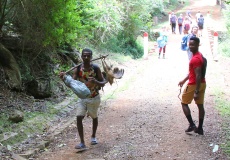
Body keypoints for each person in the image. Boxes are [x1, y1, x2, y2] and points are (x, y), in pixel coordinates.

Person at [59, 48, 107, 150]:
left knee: (94, 117)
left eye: (88, 56)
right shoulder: (78, 69)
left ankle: (93, 136)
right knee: (78, 117)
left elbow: (103, 82)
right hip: (82, 99)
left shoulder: (96, 68)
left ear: (91, 57)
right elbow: (72, 84)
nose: (86, 57)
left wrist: (95, 82)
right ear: (81, 56)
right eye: (84, 55)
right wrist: (64, 79)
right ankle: (82, 143)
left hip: (94, 98)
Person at [178, 37, 206, 135]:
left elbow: (197, 75)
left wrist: (196, 91)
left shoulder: (195, 59)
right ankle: (200, 128)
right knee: (200, 105)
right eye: (189, 44)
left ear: (198, 45)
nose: (190, 46)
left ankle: (192, 125)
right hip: (202, 83)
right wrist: (183, 80)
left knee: (184, 103)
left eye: (193, 44)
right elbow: (193, 73)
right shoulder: (200, 56)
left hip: (194, 84)